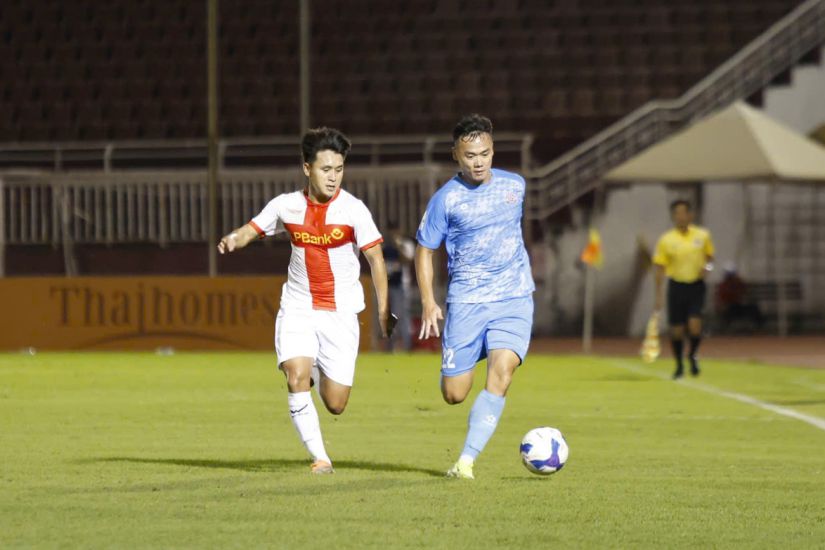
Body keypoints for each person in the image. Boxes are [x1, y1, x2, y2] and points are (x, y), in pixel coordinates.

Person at [217, 127, 392, 474]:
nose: (333, 177)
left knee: (336, 403)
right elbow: (252, 229)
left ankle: (312, 365)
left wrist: (384, 309)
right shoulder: (286, 206)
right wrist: (234, 238)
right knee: (295, 376)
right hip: (298, 306)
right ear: (307, 168)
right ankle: (320, 457)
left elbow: (376, 260)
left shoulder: (354, 210)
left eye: (339, 169)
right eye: (326, 169)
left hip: (340, 313)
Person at [415, 114, 535, 479]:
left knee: (503, 372)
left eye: (484, 153)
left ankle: (465, 461)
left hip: (514, 297)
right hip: (467, 303)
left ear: (493, 150)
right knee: (454, 393)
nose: (478, 162)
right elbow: (424, 250)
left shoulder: (515, 186)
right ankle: (476, 351)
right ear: (456, 154)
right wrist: (428, 301)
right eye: (469, 156)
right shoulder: (446, 200)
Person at [653, 200, 715, 379]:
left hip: (696, 286)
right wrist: (658, 295)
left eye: (683, 212)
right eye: (676, 213)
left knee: (695, 325)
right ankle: (679, 364)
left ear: (690, 215)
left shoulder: (702, 235)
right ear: (673, 216)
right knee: (677, 330)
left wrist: (707, 268)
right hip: (676, 286)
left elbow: (710, 258)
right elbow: (660, 267)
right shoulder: (666, 239)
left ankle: (693, 355)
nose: (680, 216)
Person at [383, 223, 415, 351]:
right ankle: (390, 346)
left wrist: (398, 246)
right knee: (388, 315)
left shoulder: (405, 244)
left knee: (401, 315)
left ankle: (406, 345)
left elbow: (407, 260)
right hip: (388, 285)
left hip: (401, 285)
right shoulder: (386, 247)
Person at [715, 263, 764, 331]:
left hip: (739, 306)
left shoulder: (738, 282)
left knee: (753, 307)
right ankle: (725, 328)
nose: (731, 276)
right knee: (732, 308)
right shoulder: (723, 285)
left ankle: (760, 326)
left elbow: (745, 291)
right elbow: (722, 300)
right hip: (730, 307)